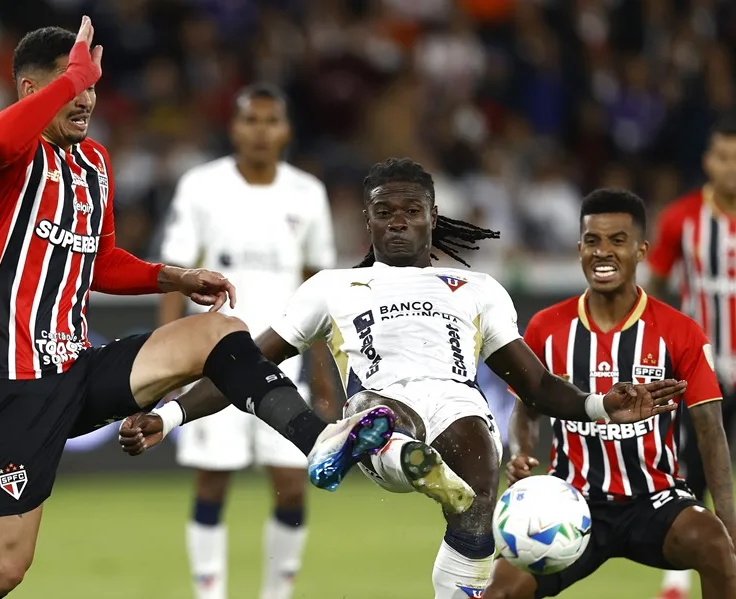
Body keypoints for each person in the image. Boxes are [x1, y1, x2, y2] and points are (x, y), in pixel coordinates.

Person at [0, 18, 393, 599]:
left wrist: (173, 276)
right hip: (8, 377)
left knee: (219, 332)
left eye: (94, 85)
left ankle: (319, 440)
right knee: (4, 568)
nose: (90, 97)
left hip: (75, 365)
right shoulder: (3, 159)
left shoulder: (92, 164)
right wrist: (67, 79)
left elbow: (98, 262)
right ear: (30, 90)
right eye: (76, 84)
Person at [119, 158, 687, 599]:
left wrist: (600, 406)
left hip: (455, 403)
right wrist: (169, 415)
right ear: (366, 219)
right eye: (384, 211)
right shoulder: (332, 287)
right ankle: (369, 438)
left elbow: (536, 385)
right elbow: (243, 363)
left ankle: (384, 453)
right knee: (385, 415)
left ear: (431, 217)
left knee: (478, 492)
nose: (397, 220)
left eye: (410, 210)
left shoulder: (478, 291)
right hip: (382, 396)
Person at [483, 189, 736, 599]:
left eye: (617, 240)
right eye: (593, 241)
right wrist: (522, 453)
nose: (603, 252)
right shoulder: (546, 328)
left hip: (656, 500)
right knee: (498, 591)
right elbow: (527, 410)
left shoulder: (679, 331)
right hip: (572, 502)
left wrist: (728, 521)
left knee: (715, 545)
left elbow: (710, 430)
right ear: (579, 248)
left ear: (641, 250)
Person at [157, 83, 338, 599]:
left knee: (293, 483)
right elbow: (172, 278)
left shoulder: (307, 193)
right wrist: (168, 362)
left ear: (286, 130)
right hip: (213, 359)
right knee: (212, 480)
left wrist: (324, 377)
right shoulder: (200, 187)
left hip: (284, 362)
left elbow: (317, 288)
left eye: (270, 121)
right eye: (250, 120)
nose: (260, 131)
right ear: (234, 128)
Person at [646, 115, 736, 599]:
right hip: (704, 369)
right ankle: (678, 576)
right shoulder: (682, 218)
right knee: (691, 470)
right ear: (708, 162)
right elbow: (655, 288)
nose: (733, 168)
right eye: (725, 157)